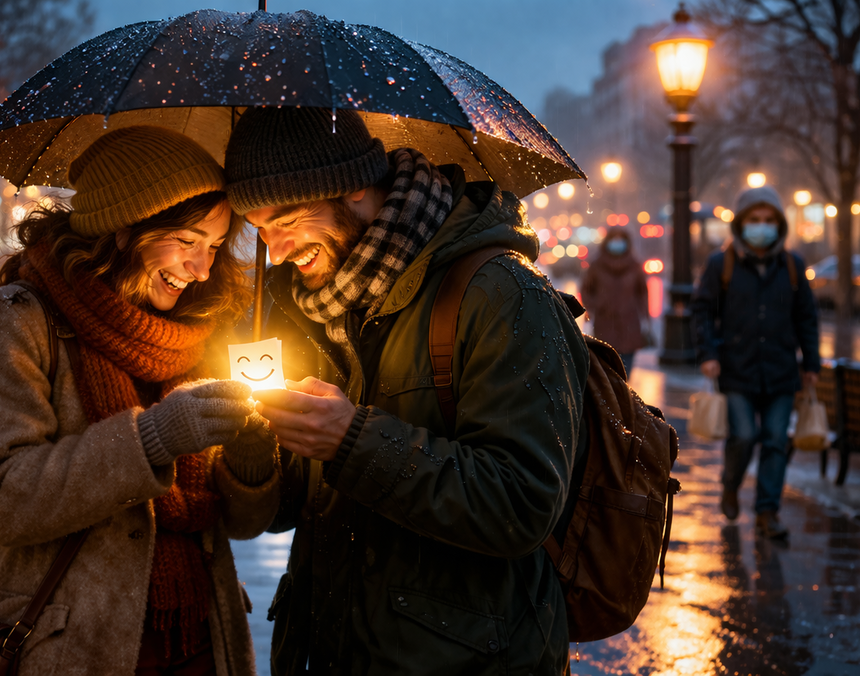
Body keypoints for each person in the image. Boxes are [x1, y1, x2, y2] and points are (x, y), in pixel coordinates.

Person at [225, 108, 591, 674]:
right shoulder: (314, 308)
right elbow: (290, 511)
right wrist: (258, 454)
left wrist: (351, 440)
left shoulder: (502, 294)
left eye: (288, 219)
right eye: (259, 227)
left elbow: (523, 503)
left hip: (465, 659)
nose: (275, 249)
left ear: (352, 190)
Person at [0, 126, 281, 675]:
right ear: (125, 227)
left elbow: (239, 525)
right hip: (67, 648)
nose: (200, 269)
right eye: (187, 240)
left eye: (216, 247)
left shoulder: (202, 333)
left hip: (199, 643)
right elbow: (0, 497)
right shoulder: (15, 320)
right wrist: (153, 438)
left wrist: (250, 464)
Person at [692, 185, 820, 540]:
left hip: (781, 371)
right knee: (744, 436)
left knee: (777, 441)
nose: (761, 226)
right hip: (737, 370)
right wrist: (709, 354)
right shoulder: (723, 264)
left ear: (779, 224)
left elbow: (806, 317)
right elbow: (701, 311)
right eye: (754, 219)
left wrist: (811, 363)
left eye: (768, 220)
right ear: (741, 223)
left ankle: (767, 513)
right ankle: (730, 484)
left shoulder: (792, 266)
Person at [582, 227, 649, 377]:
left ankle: (623, 398)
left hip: (629, 324)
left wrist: (645, 318)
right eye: (614, 239)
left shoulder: (634, 265)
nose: (617, 243)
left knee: (626, 373)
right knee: (607, 372)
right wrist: (596, 306)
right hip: (604, 323)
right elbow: (586, 290)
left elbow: (642, 293)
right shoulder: (597, 265)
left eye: (621, 240)